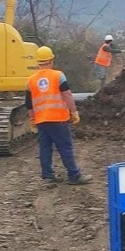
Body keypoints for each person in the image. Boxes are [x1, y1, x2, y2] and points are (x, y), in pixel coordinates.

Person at [26, 46, 92, 185]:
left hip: (41, 120)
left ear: (38, 62)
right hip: (58, 118)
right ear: (51, 60)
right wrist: (73, 112)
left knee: (45, 148)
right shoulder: (58, 75)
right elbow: (67, 94)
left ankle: (48, 176)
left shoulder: (31, 80)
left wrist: (32, 119)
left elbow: (29, 103)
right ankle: (74, 175)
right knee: (65, 147)